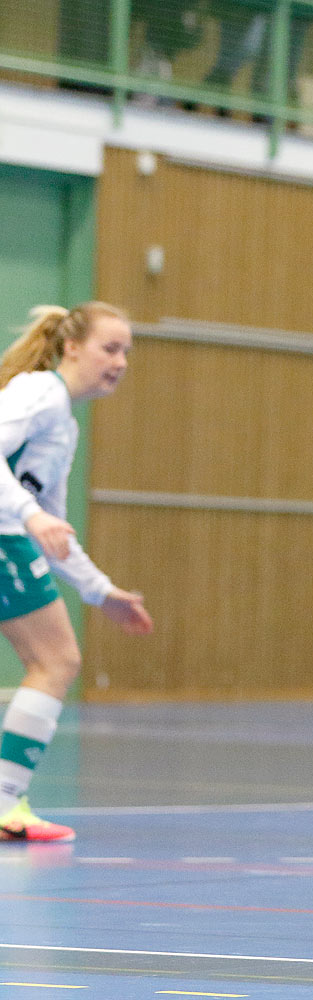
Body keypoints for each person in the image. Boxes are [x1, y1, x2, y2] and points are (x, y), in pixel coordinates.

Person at [0, 303, 155, 843]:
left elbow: (57, 528)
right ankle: (3, 801)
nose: (121, 362)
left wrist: (101, 592)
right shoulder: (38, 392)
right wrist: (28, 514)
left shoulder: (61, 422)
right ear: (72, 347)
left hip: (12, 537)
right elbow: (38, 514)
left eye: (128, 353)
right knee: (55, 658)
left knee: (54, 659)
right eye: (110, 348)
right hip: (3, 538)